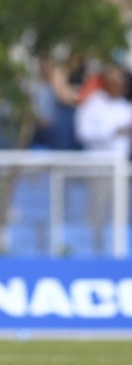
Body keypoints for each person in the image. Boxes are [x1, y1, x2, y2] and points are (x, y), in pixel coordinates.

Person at [75, 63, 132, 253]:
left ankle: (118, 252)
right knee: (97, 214)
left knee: (120, 214)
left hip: (121, 168)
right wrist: (113, 132)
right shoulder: (93, 105)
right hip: (98, 166)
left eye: (121, 81)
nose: (118, 84)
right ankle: (96, 253)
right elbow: (83, 132)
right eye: (114, 80)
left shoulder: (126, 107)